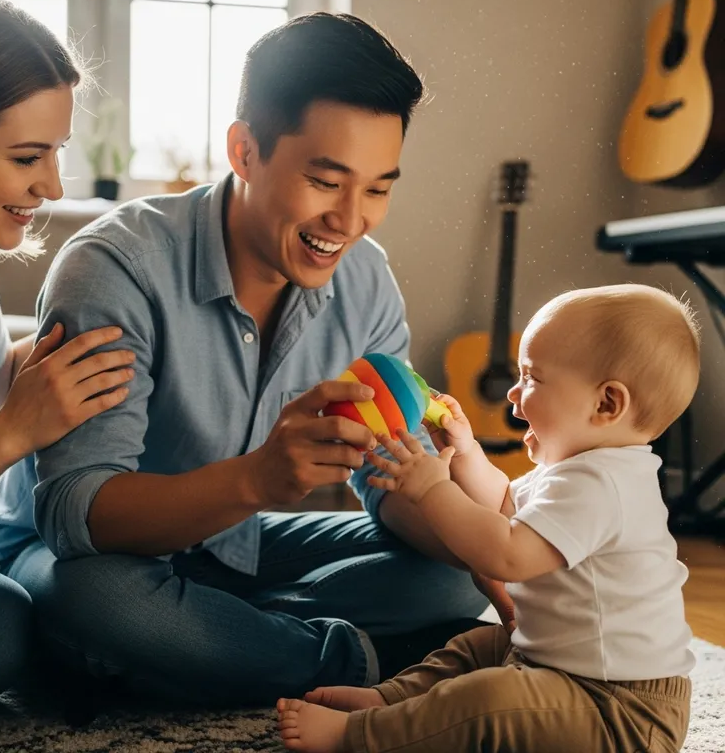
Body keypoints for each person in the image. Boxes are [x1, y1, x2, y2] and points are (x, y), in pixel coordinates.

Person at [0, 12, 503, 710]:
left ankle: (228, 649)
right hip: (87, 554)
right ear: (246, 151)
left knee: (456, 574)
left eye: (377, 188)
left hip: (240, 543)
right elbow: (78, 514)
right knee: (95, 604)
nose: (350, 220)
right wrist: (256, 479)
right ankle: (375, 662)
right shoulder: (114, 268)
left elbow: (389, 482)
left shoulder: (365, 279)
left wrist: (491, 544)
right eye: (325, 180)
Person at [277, 283, 697, 753]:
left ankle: (359, 737)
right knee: (475, 647)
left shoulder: (605, 485)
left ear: (606, 404)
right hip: (562, 669)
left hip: (618, 711)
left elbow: (506, 554)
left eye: (533, 378)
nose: (513, 394)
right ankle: (386, 701)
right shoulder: (580, 471)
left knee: (489, 696)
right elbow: (504, 507)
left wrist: (433, 488)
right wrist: (465, 453)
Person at [0, 0, 136, 717]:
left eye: (56, 154)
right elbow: (5, 417)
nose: (50, 186)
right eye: (26, 156)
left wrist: (119, 332)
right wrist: (12, 432)